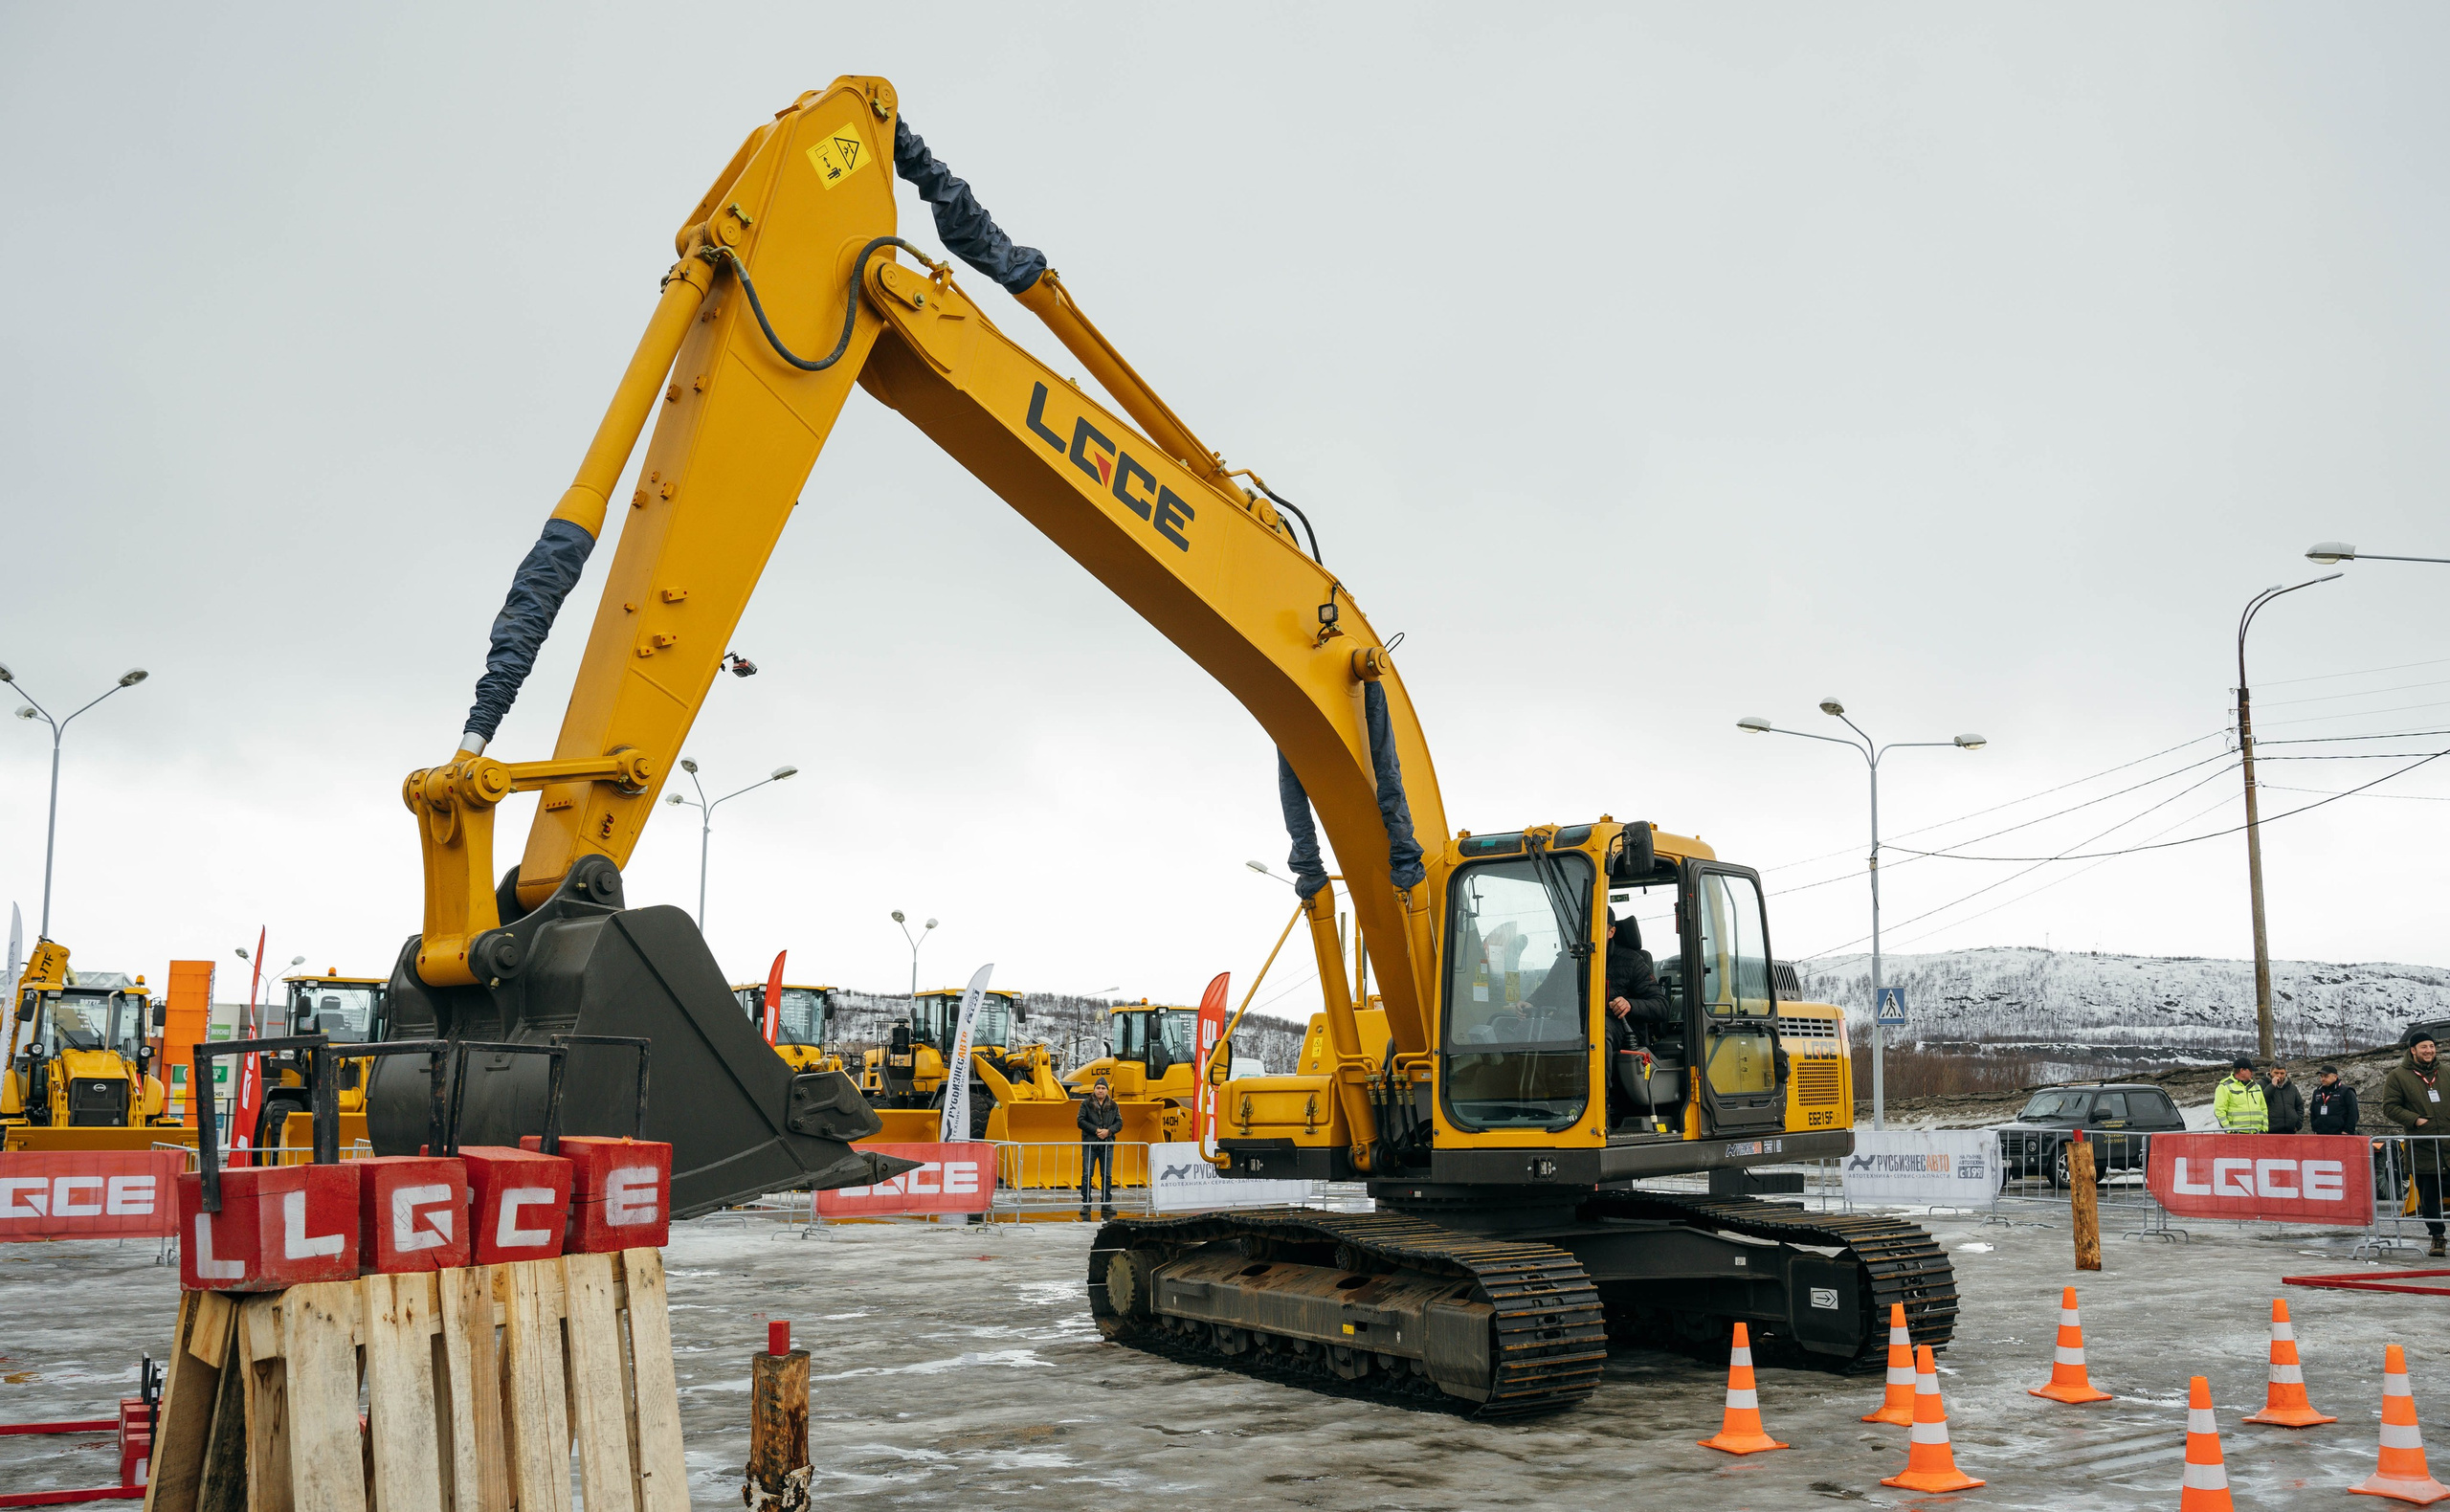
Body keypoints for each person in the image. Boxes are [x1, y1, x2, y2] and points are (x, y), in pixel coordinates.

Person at [1603, 911, 1676, 1130]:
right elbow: (1546, 993)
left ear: (1611, 931)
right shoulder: (1570, 960)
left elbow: (1661, 1006)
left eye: (1595, 926)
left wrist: (1630, 1004)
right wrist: (1527, 1004)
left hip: (1620, 1029)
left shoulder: (1632, 961)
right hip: (1574, 1023)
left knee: (1596, 1033)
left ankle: (1599, 1105)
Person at [2382, 1031, 2449, 1257]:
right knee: (2429, 1198)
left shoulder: (2447, 1072)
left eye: (2431, 1046)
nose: (2429, 1051)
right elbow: (2390, 1107)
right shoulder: (2398, 1076)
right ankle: (2437, 1237)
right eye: (2424, 1047)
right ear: (2413, 1050)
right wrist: (2415, 1120)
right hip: (2422, 1148)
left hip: (2448, 1145)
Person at [1078, 1077, 1122, 1221]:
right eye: (1098, 1088)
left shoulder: (1113, 1105)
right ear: (1094, 1089)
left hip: (1107, 1144)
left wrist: (1108, 1132)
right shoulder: (1086, 1104)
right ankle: (1086, 1203)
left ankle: (1106, 1203)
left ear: (1107, 1090)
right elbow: (1080, 1121)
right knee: (1087, 1174)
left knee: (1107, 1175)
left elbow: (1119, 1122)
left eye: (1103, 1088)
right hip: (1090, 1144)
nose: (1100, 1091)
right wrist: (1096, 1130)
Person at [2213, 1056, 2269, 1133]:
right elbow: (2219, 1111)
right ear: (2242, 1070)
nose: (2252, 1073)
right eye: (2250, 1070)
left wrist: (2264, 1129)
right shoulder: (2224, 1087)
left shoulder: (2256, 1086)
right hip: (2237, 1136)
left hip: (2257, 1134)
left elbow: (2263, 1108)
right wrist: (2230, 1131)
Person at [2309, 1065, 2360, 1135]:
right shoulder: (2317, 1092)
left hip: (2339, 1134)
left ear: (2335, 1077)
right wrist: (2314, 1127)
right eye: (2321, 1076)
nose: (2323, 1079)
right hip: (2321, 1134)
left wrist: (2348, 1130)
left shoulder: (2346, 1092)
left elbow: (2353, 1112)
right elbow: (2312, 1111)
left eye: (2326, 1076)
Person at [2266, 1065, 2305, 1135]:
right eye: (2276, 1073)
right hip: (2271, 1131)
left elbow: (2299, 1106)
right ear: (2270, 1072)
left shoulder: (2292, 1088)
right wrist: (2272, 1086)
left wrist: (2298, 1124)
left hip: (2290, 1131)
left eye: (2282, 1073)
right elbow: (2262, 1100)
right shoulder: (2263, 1084)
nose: (2279, 1076)